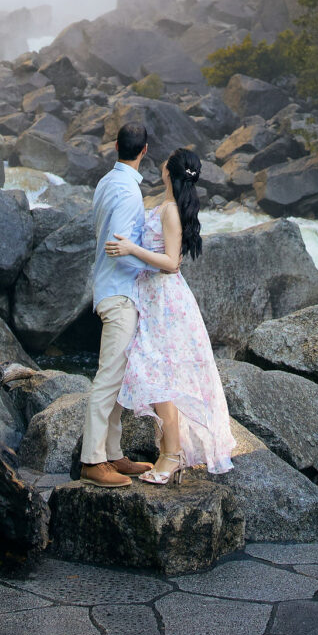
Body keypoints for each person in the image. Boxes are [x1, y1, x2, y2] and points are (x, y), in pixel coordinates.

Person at [107, 146, 235, 484]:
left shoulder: (171, 211)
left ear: (168, 171)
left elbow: (172, 263)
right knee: (158, 373)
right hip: (151, 298)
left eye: (166, 161)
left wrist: (132, 249)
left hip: (165, 302)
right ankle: (168, 448)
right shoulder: (166, 206)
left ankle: (171, 455)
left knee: (158, 375)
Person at [79, 121, 156, 487]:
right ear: (145, 150)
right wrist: (156, 264)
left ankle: (113, 454)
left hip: (108, 288)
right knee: (109, 379)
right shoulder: (128, 192)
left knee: (120, 377)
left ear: (116, 146)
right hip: (120, 292)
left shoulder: (107, 182)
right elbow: (120, 249)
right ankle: (92, 461)